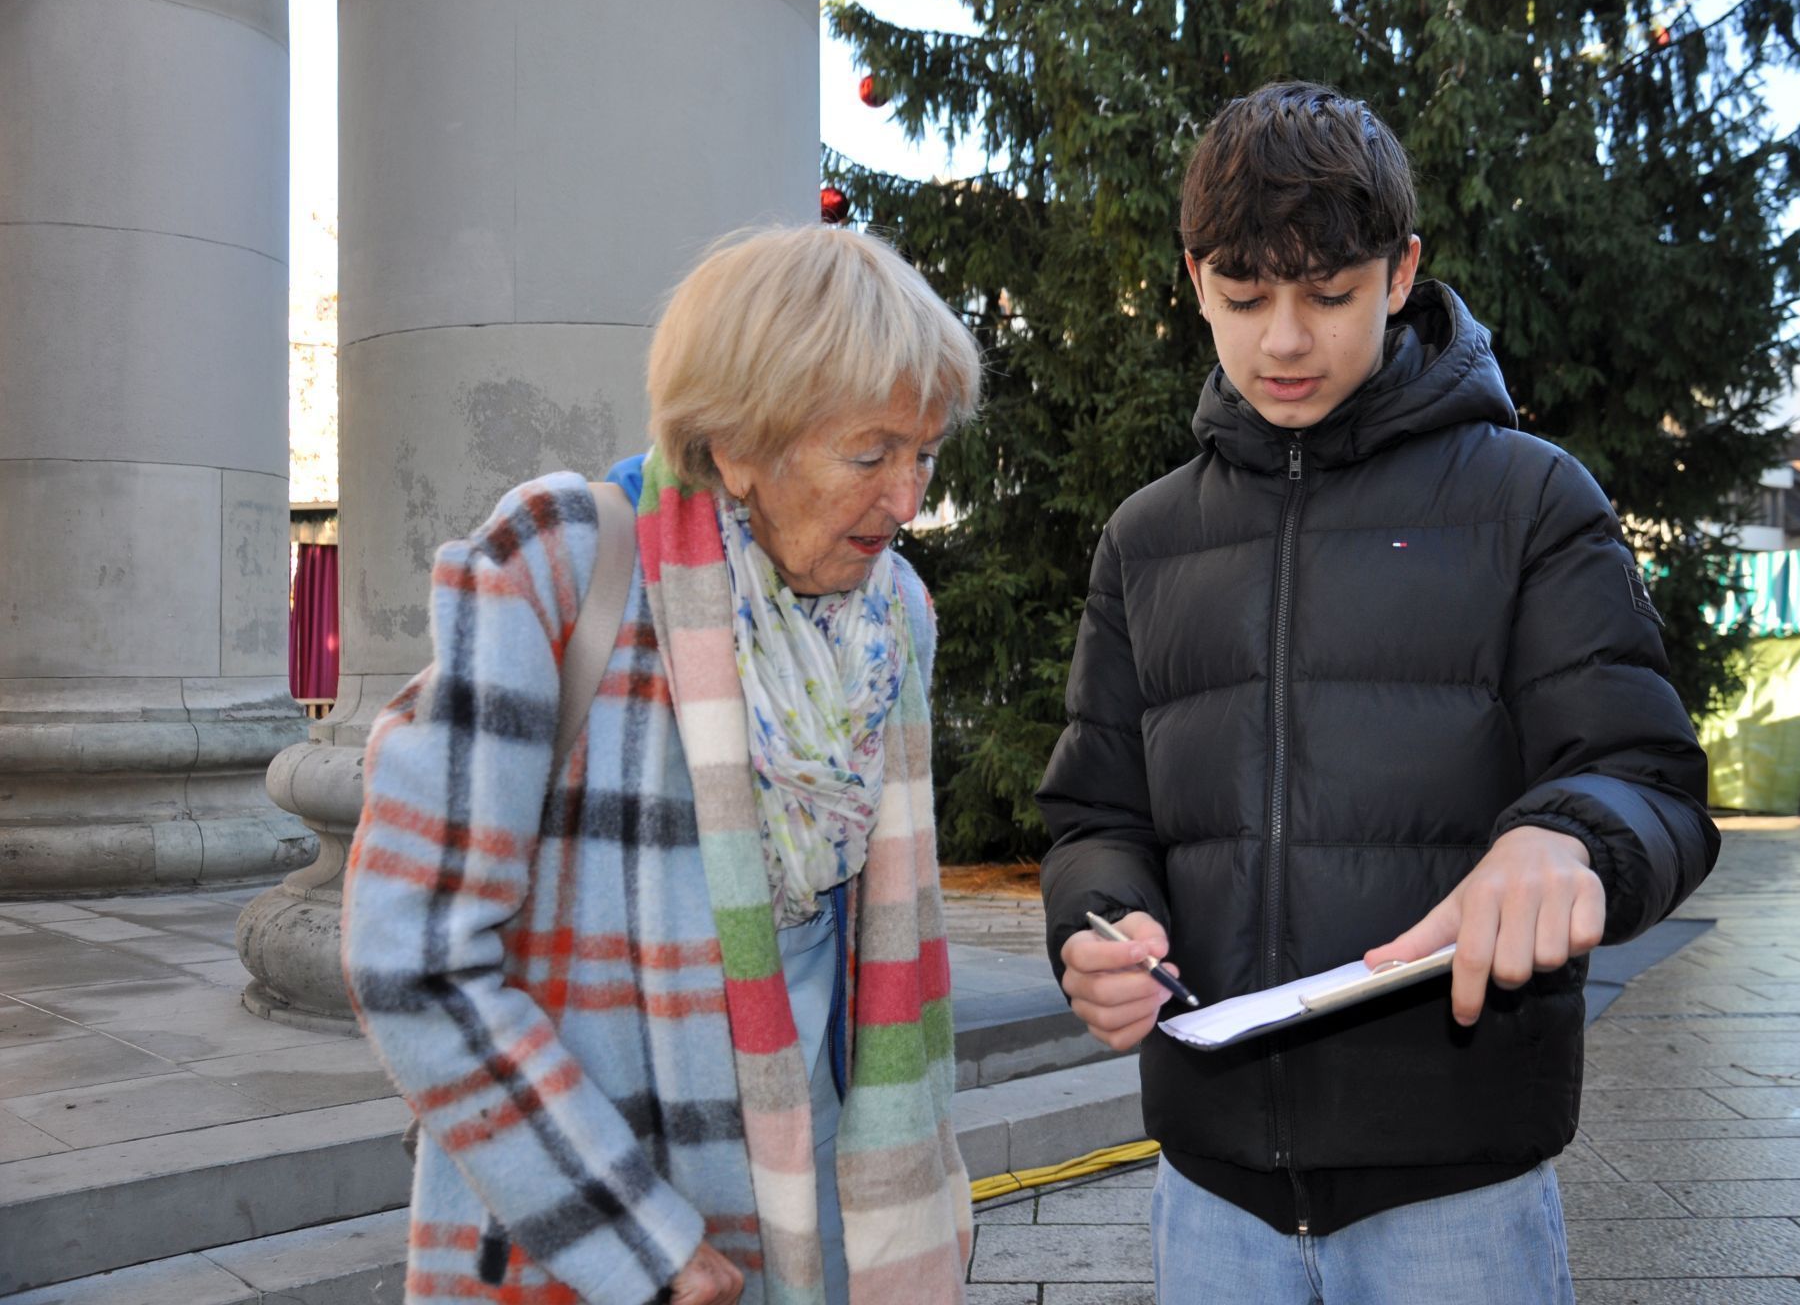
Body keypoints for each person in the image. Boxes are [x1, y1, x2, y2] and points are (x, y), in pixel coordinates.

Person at [1035, 82, 1719, 1305]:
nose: (1282, 341)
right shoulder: (1143, 539)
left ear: (1401, 273)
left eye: (1328, 296)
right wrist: (1096, 924)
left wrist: (1567, 842)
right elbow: (1096, 819)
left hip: (1456, 1191)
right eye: (1243, 300)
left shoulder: (1529, 500)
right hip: (1208, 1189)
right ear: (1193, 279)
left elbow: (1650, 781)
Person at [342, 226, 981, 1305]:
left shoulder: (894, 618)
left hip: (828, 1213)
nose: (907, 500)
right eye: (869, 455)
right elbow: (413, 952)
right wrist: (636, 1240)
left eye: (924, 454)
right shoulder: (560, 562)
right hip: (601, 1223)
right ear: (736, 443)